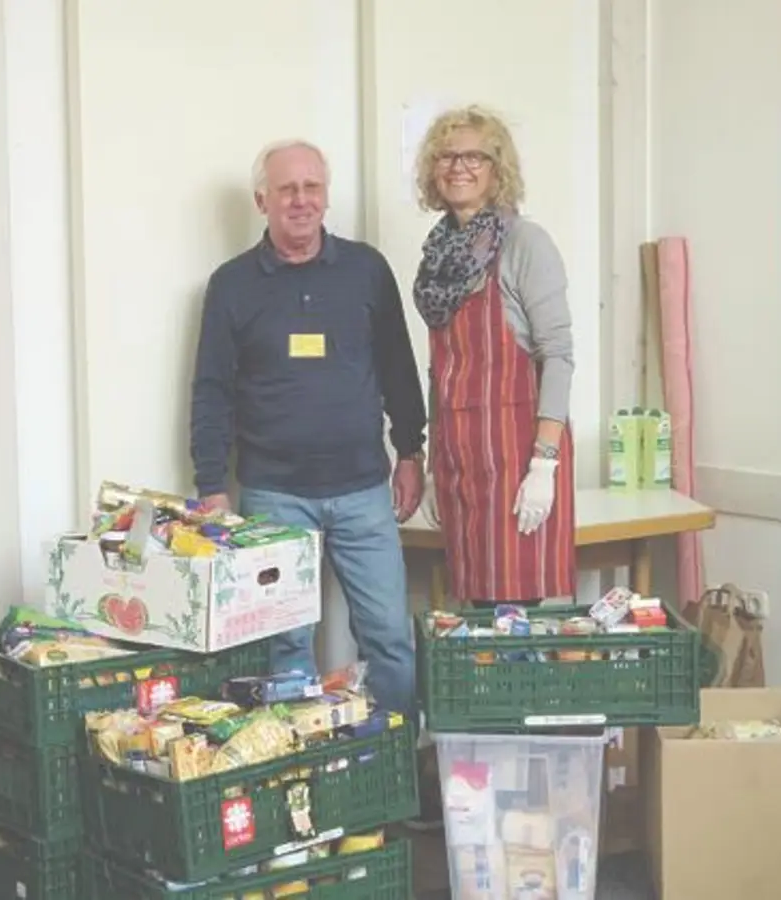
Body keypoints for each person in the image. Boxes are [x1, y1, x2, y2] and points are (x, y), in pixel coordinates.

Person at [188, 139, 426, 715]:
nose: (301, 200)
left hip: (364, 490)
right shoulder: (232, 285)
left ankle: (394, 770)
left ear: (326, 195)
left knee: (390, 641)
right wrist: (211, 485)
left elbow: (399, 365)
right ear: (261, 200)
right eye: (287, 189)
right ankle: (301, 781)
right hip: (274, 497)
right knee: (285, 648)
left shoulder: (366, 270)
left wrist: (411, 451)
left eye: (311, 187)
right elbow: (212, 388)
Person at [412, 106, 577, 606]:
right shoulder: (439, 255)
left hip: (516, 462)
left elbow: (558, 355)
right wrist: (435, 466)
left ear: (496, 169)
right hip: (461, 462)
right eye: (446, 155)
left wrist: (543, 466)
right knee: (473, 612)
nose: (458, 166)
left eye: (474, 156)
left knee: (514, 619)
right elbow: (441, 373)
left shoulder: (526, 244)